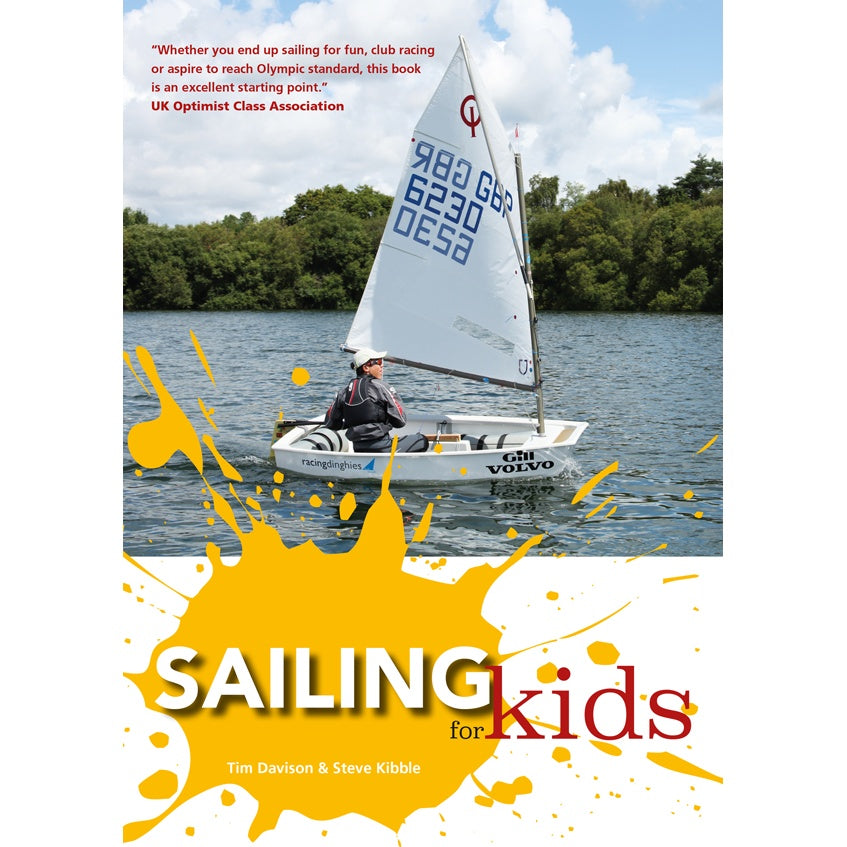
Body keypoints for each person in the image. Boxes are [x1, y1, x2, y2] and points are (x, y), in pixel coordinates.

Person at [324, 348, 428, 453]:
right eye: (378, 362)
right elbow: (401, 421)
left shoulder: (343, 392)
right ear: (366, 367)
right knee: (421, 440)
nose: (382, 366)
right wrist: (386, 421)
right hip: (382, 448)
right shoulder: (381, 387)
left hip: (358, 449)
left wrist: (350, 424)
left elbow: (330, 423)